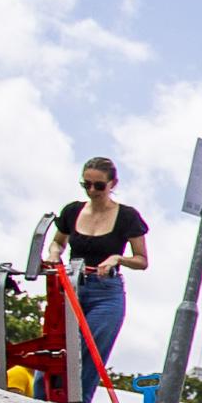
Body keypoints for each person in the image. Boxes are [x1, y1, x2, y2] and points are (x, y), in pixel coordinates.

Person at [48, 159, 149, 378]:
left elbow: (141, 260)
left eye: (99, 186)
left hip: (106, 292)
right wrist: (54, 254)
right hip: (71, 285)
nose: (92, 190)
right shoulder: (73, 211)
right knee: (54, 351)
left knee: (88, 358)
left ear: (113, 184)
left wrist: (117, 259)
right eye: (86, 185)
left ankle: (80, 399)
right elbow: (58, 242)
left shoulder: (127, 216)